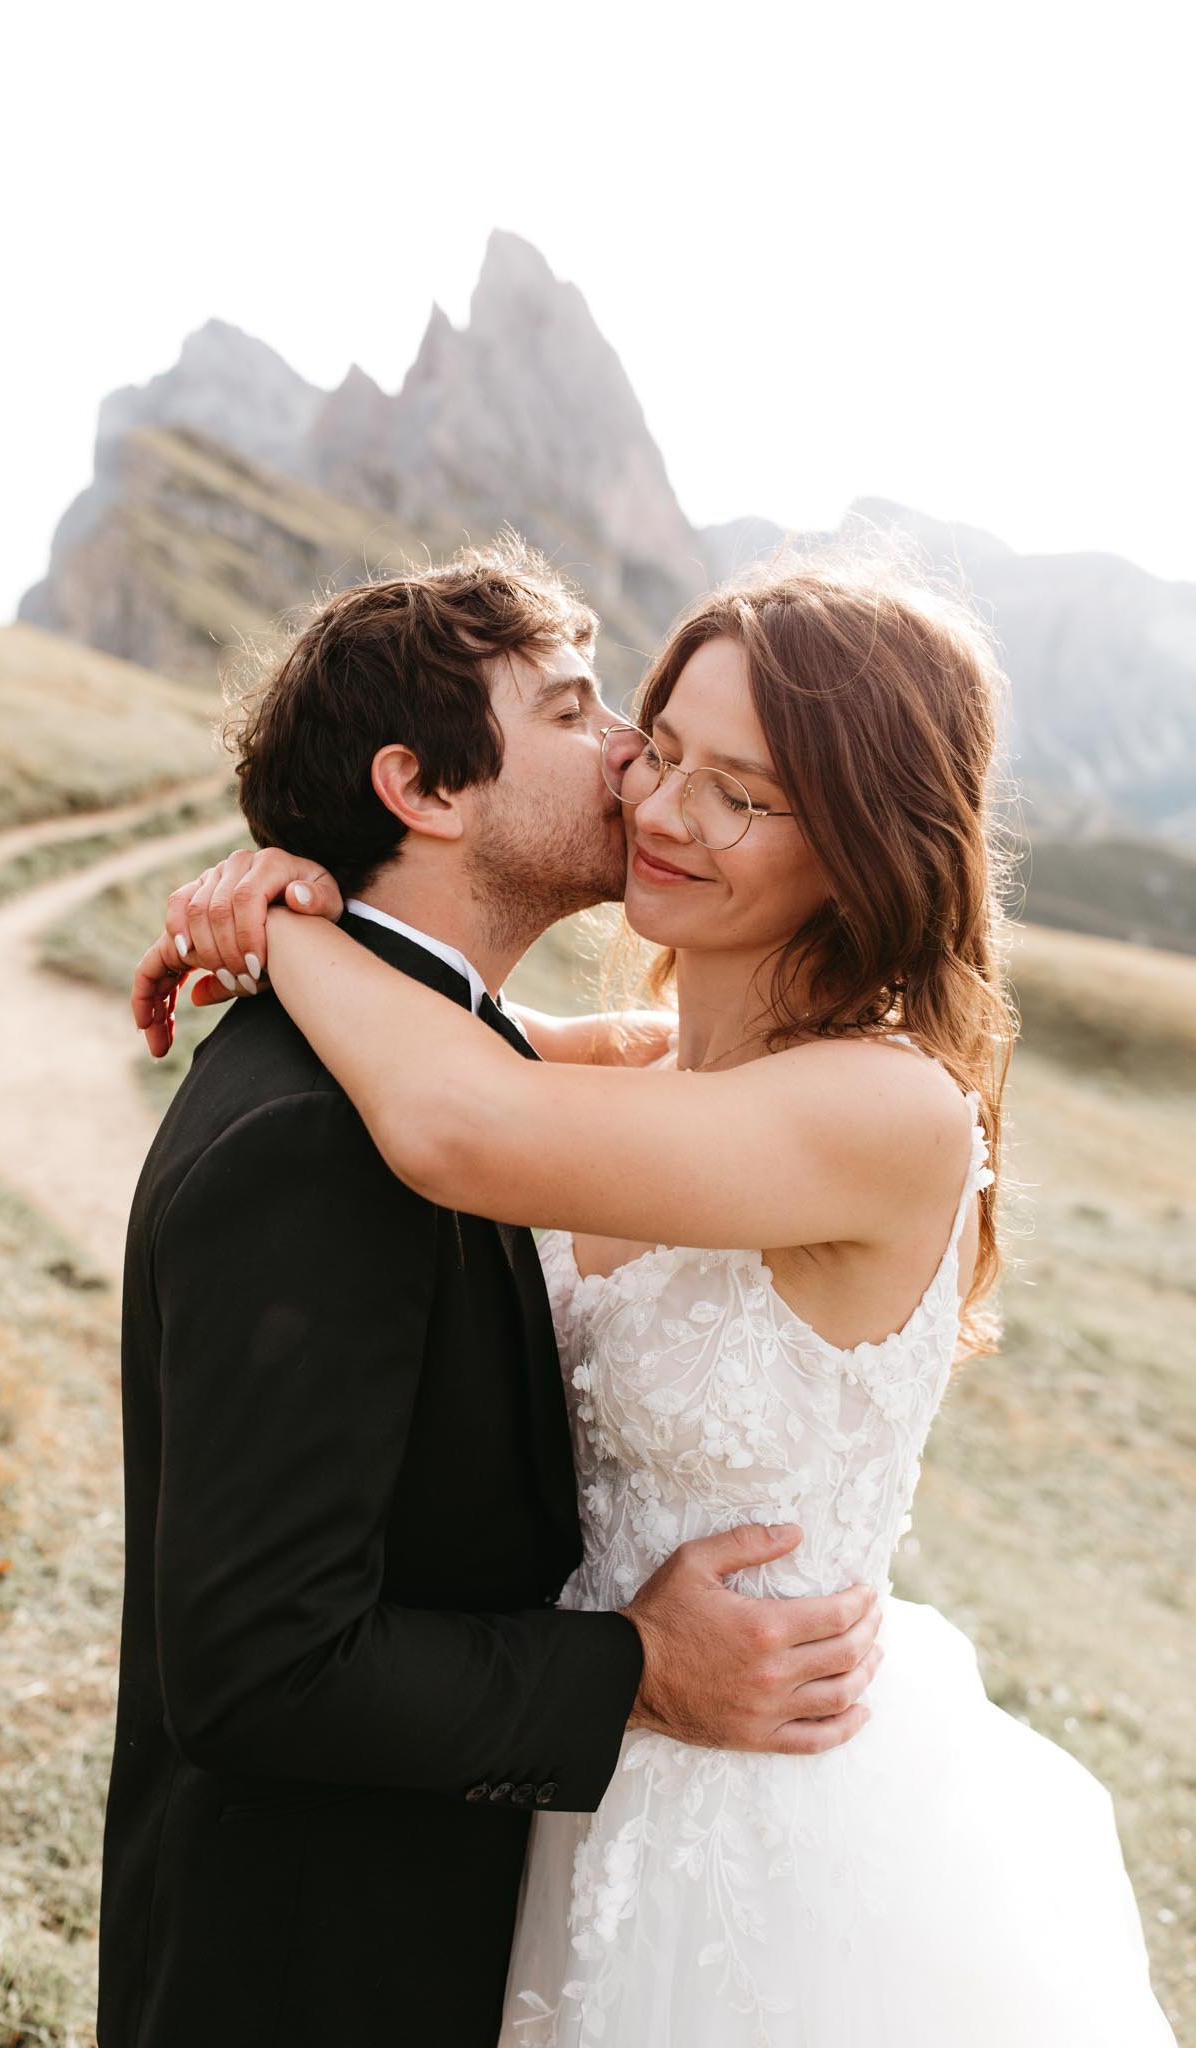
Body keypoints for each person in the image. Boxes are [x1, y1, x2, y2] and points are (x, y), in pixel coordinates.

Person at [142, 555, 1177, 2044]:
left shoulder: (887, 1113)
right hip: (564, 1776)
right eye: (662, 748)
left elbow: (455, 1117)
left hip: (756, 1819)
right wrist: (289, 889)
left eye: (739, 795)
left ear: (870, 842)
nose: (663, 810)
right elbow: (455, 1025)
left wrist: (285, 925)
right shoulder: (638, 1062)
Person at [103, 541, 885, 2048]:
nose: (632, 759)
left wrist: (285, 920)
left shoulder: (454, 1061)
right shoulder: (315, 1142)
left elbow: (572, 1073)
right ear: (422, 789)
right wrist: (639, 1669)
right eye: (576, 712)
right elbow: (262, 1667)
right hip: (314, 1970)